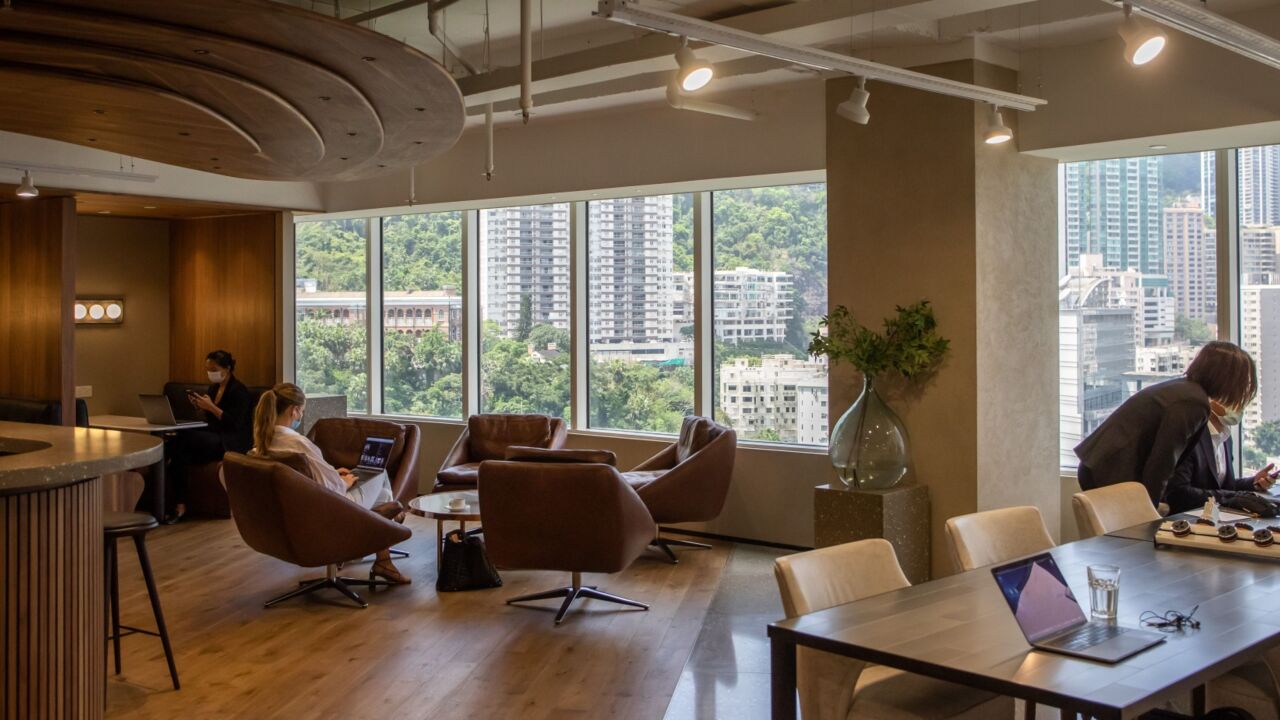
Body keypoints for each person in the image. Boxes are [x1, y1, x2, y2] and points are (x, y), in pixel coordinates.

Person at [251, 383, 409, 584]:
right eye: (302, 412)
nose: (300, 417)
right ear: (294, 410)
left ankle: (383, 560)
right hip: (330, 513)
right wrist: (343, 480)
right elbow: (332, 487)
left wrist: (333, 473)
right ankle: (394, 519)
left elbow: (299, 479)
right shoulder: (298, 444)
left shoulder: (261, 444)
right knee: (379, 472)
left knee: (383, 497)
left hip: (293, 516)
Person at [1075, 340, 1258, 505]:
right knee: (1128, 536)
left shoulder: (1185, 390)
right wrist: (1150, 514)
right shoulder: (1193, 402)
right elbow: (1162, 462)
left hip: (1100, 465)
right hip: (1109, 470)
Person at [167, 350, 254, 522]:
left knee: (181, 444)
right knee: (179, 448)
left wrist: (211, 407)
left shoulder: (239, 391)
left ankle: (178, 505)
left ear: (227, 368)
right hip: (215, 434)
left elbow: (234, 424)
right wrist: (201, 407)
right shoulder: (214, 388)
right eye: (208, 369)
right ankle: (178, 504)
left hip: (231, 440)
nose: (210, 373)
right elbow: (212, 420)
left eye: (213, 368)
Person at [1163, 397, 1277, 514]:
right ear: (1212, 399)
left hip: (1218, 516)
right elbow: (1178, 493)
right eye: (1235, 397)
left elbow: (1221, 486)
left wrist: (1253, 483)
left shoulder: (1226, 437)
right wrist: (1235, 497)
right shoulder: (1191, 436)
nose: (1240, 405)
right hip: (1188, 519)